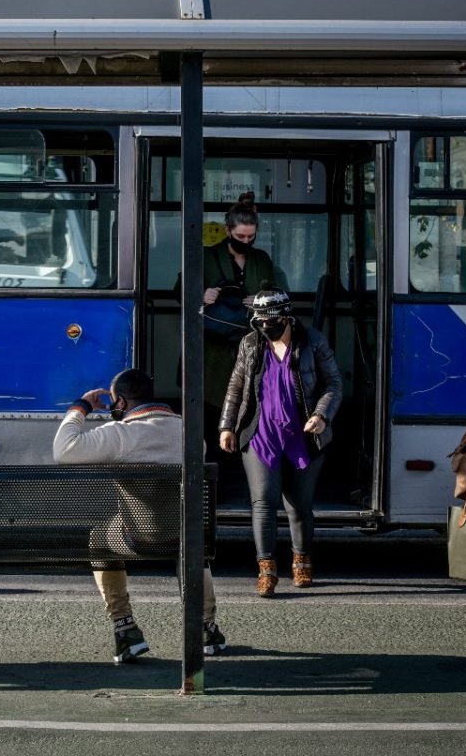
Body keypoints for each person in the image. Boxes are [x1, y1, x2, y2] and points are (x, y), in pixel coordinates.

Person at [53, 368, 229, 664]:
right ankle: (206, 627)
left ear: (120, 403)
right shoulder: (189, 433)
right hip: (184, 536)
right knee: (191, 546)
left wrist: (81, 406)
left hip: (138, 538)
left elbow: (63, 450)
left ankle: (125, 629)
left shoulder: (121, 435)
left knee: (98, 538)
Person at [218, 286, 341, 597]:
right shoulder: (251, 343)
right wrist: (227, 426)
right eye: (259, 321)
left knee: (299, 506)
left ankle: (301, 562)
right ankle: (267, 568)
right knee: (263, 502)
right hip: (261, 433)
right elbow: (235, 386)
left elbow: (334, 383)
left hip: (304, 435)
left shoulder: (313, 341)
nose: (265, 327)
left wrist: (321, 414)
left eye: (271, 321)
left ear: (287, 317)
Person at [177, 192, 278, 501]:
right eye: (240, 236)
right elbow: (179, 290)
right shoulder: (205, 256)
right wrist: (201, 295)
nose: (246, 241)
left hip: (250, 348)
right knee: (210, 418)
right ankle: (210, 486)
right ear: (227, 231)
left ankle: (246, 481)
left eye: (251, 236)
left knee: (248, 414)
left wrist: (260, 301)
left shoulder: (261, 260)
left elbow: (278, 296)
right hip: (211, 351)